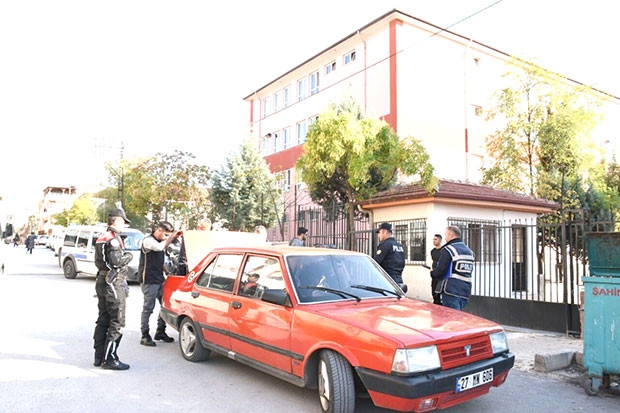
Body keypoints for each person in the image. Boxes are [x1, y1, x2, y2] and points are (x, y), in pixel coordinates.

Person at [92, 207, 134, 370]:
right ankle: (109, 359)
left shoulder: (102, 236)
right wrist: (129, 256)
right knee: (117, 321)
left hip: (103, 280)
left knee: (103, 319)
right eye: (123, 222)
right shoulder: (113, 238)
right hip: (113, 281)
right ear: (116, 221)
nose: (125, 225)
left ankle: (99, 357)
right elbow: (116, 262)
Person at [139, 220, 180, 347]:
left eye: (169, 235)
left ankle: (160, 331)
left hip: (159, 279)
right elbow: (159, 248)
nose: (167, 238)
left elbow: (160, 259)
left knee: (165, 305)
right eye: (166, 235)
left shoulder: (160, 242)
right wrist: (172, 237)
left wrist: (167, 272)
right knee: (148, 308)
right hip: (149, 280)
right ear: (159, 230)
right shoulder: (148, 241)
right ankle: (144, 335)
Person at [431, 226, 475, 310]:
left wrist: (433, 273)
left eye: (446, 235)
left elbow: (440, 270)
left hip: (450, 290)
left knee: (450, 319)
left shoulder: (448, 249)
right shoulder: (470, 252)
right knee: (459, 316)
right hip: (465, 290)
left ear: (451, 235)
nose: (445, 237)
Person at [430, 234, 443, 305]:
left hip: (440, 274)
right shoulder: (433, 251)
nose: (434, 241)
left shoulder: (443, 250)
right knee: (433, 291)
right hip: (434, 274)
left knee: (439, 293)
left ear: (440, 240)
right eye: (433, 239)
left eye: (435, 239)